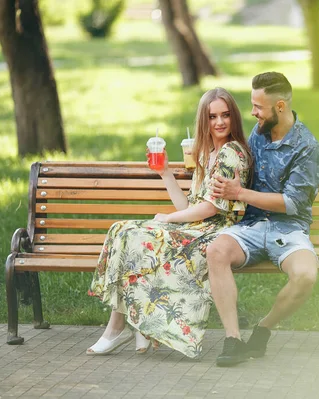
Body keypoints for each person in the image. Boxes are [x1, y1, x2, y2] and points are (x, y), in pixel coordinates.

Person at [86, 87, 252, 358]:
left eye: (225, 115)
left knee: (133, 236)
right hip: (196, 226)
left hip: (217, 232)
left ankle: (117, 329)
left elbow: (210, 209)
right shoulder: (207, 153)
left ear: (234, 117)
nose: (220, 122)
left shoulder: (231, 153)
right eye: (212, 117)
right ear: (204, 120)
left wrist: (169, 219)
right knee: (122, 230)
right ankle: (133, 322)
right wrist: (164, 173)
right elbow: (188, 206)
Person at [208, 72, 319, 367]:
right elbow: (239, 166)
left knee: (306, 276)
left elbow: (292, 203)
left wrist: (240, 192)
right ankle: (233, 340)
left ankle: (263, 328)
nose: (253, 113)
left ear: (281, 107)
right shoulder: (258, 133)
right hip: (250, 226)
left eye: (259, 107)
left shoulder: (307, 148)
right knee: (216, 251)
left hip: (288, 229)